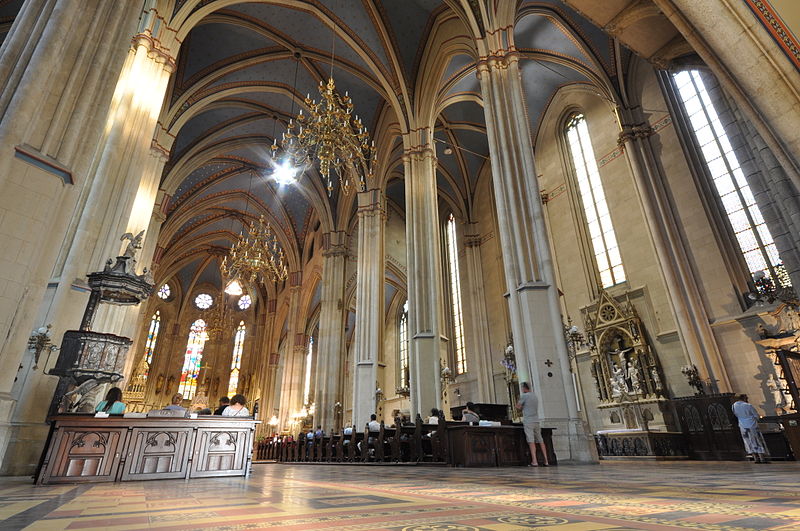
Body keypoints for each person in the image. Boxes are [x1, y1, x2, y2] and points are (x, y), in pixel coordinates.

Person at [516, 382, 549, 467]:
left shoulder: (524, 396)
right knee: (540, 440)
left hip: (528, 421)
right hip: (536, 421)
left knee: (531, 441)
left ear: (524, 388)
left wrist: (521, 406)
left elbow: (518, 407)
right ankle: (546, 460)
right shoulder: (535, 396)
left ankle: (534, 461)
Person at [732, 394, 769, 463]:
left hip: (742, 425)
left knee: (748, 441)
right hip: (752, 425)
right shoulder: (748, 405)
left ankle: (755, 458)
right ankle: (761, 458)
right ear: (745, 398)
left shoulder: (734, 405)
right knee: (756, 441)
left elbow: (735, 414)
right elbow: (755, 415)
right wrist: (757, 418)